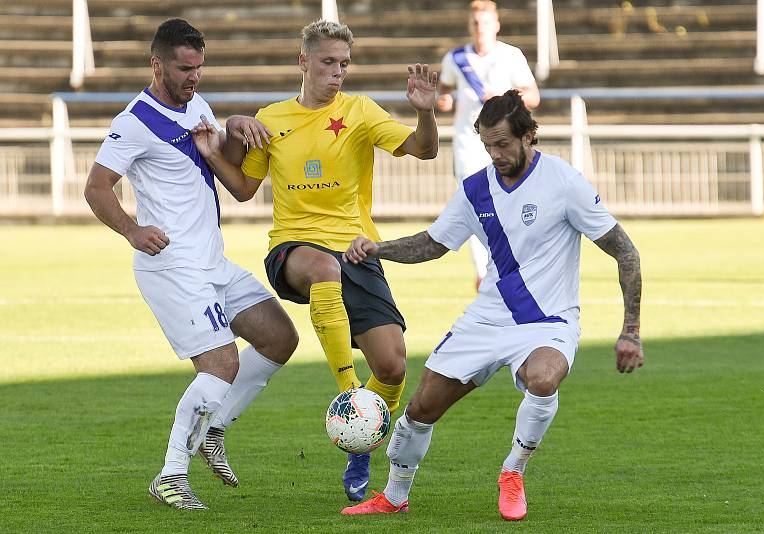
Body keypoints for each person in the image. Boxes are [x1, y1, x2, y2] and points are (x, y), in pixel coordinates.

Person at [340, 90, 644, 521]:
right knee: (420, 409)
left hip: (548, 321)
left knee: (543, 379)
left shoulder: (564, 182)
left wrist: (630, 329)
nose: (495, 154)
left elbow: (626, 252)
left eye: (502, 144)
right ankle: (394, 495)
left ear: (528, 136)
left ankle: (513, 471)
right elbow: (433, 244)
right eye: (487, 145)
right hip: (486, 319)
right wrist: (378, 249)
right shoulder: (475, 189)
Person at [189, 19, 438, 502]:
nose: (337, 73)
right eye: (328, 63)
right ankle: (348, 395)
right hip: (294, 250)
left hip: (357, 250)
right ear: (303, 61)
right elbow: (243, 189)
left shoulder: (361, 112)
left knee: (393, 366)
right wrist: (213, 154)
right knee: (323, 268)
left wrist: (425, 114)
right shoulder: (274, 117)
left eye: (344, 64)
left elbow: (423, 150)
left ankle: (360, 444)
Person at [84, 19, 299, 510]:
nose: (194, 77)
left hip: (212, 261)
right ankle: (171, 474)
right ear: (156, 64)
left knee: (279, 337)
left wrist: (238, 129)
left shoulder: (197, 106)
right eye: (184, 68)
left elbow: (230, 173)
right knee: (221, 363)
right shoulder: (135, 121)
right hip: (173, 266)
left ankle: (213, 429)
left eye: (199, 67)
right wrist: (133, 231)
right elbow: (96, 188)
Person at [438, 0, 540, 290]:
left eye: (485, 23)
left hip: (506, 142)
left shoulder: (510, 56)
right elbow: (445, 89)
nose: (480, 28)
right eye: (475, 23)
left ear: (496, 25)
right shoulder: (456, 58)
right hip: (468, 143)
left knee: (509, 201)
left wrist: (505, 96)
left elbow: (533, 96)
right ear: (470, 26)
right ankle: (485, 273)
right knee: (475, 203)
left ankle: (515, 262)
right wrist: (444, 99)